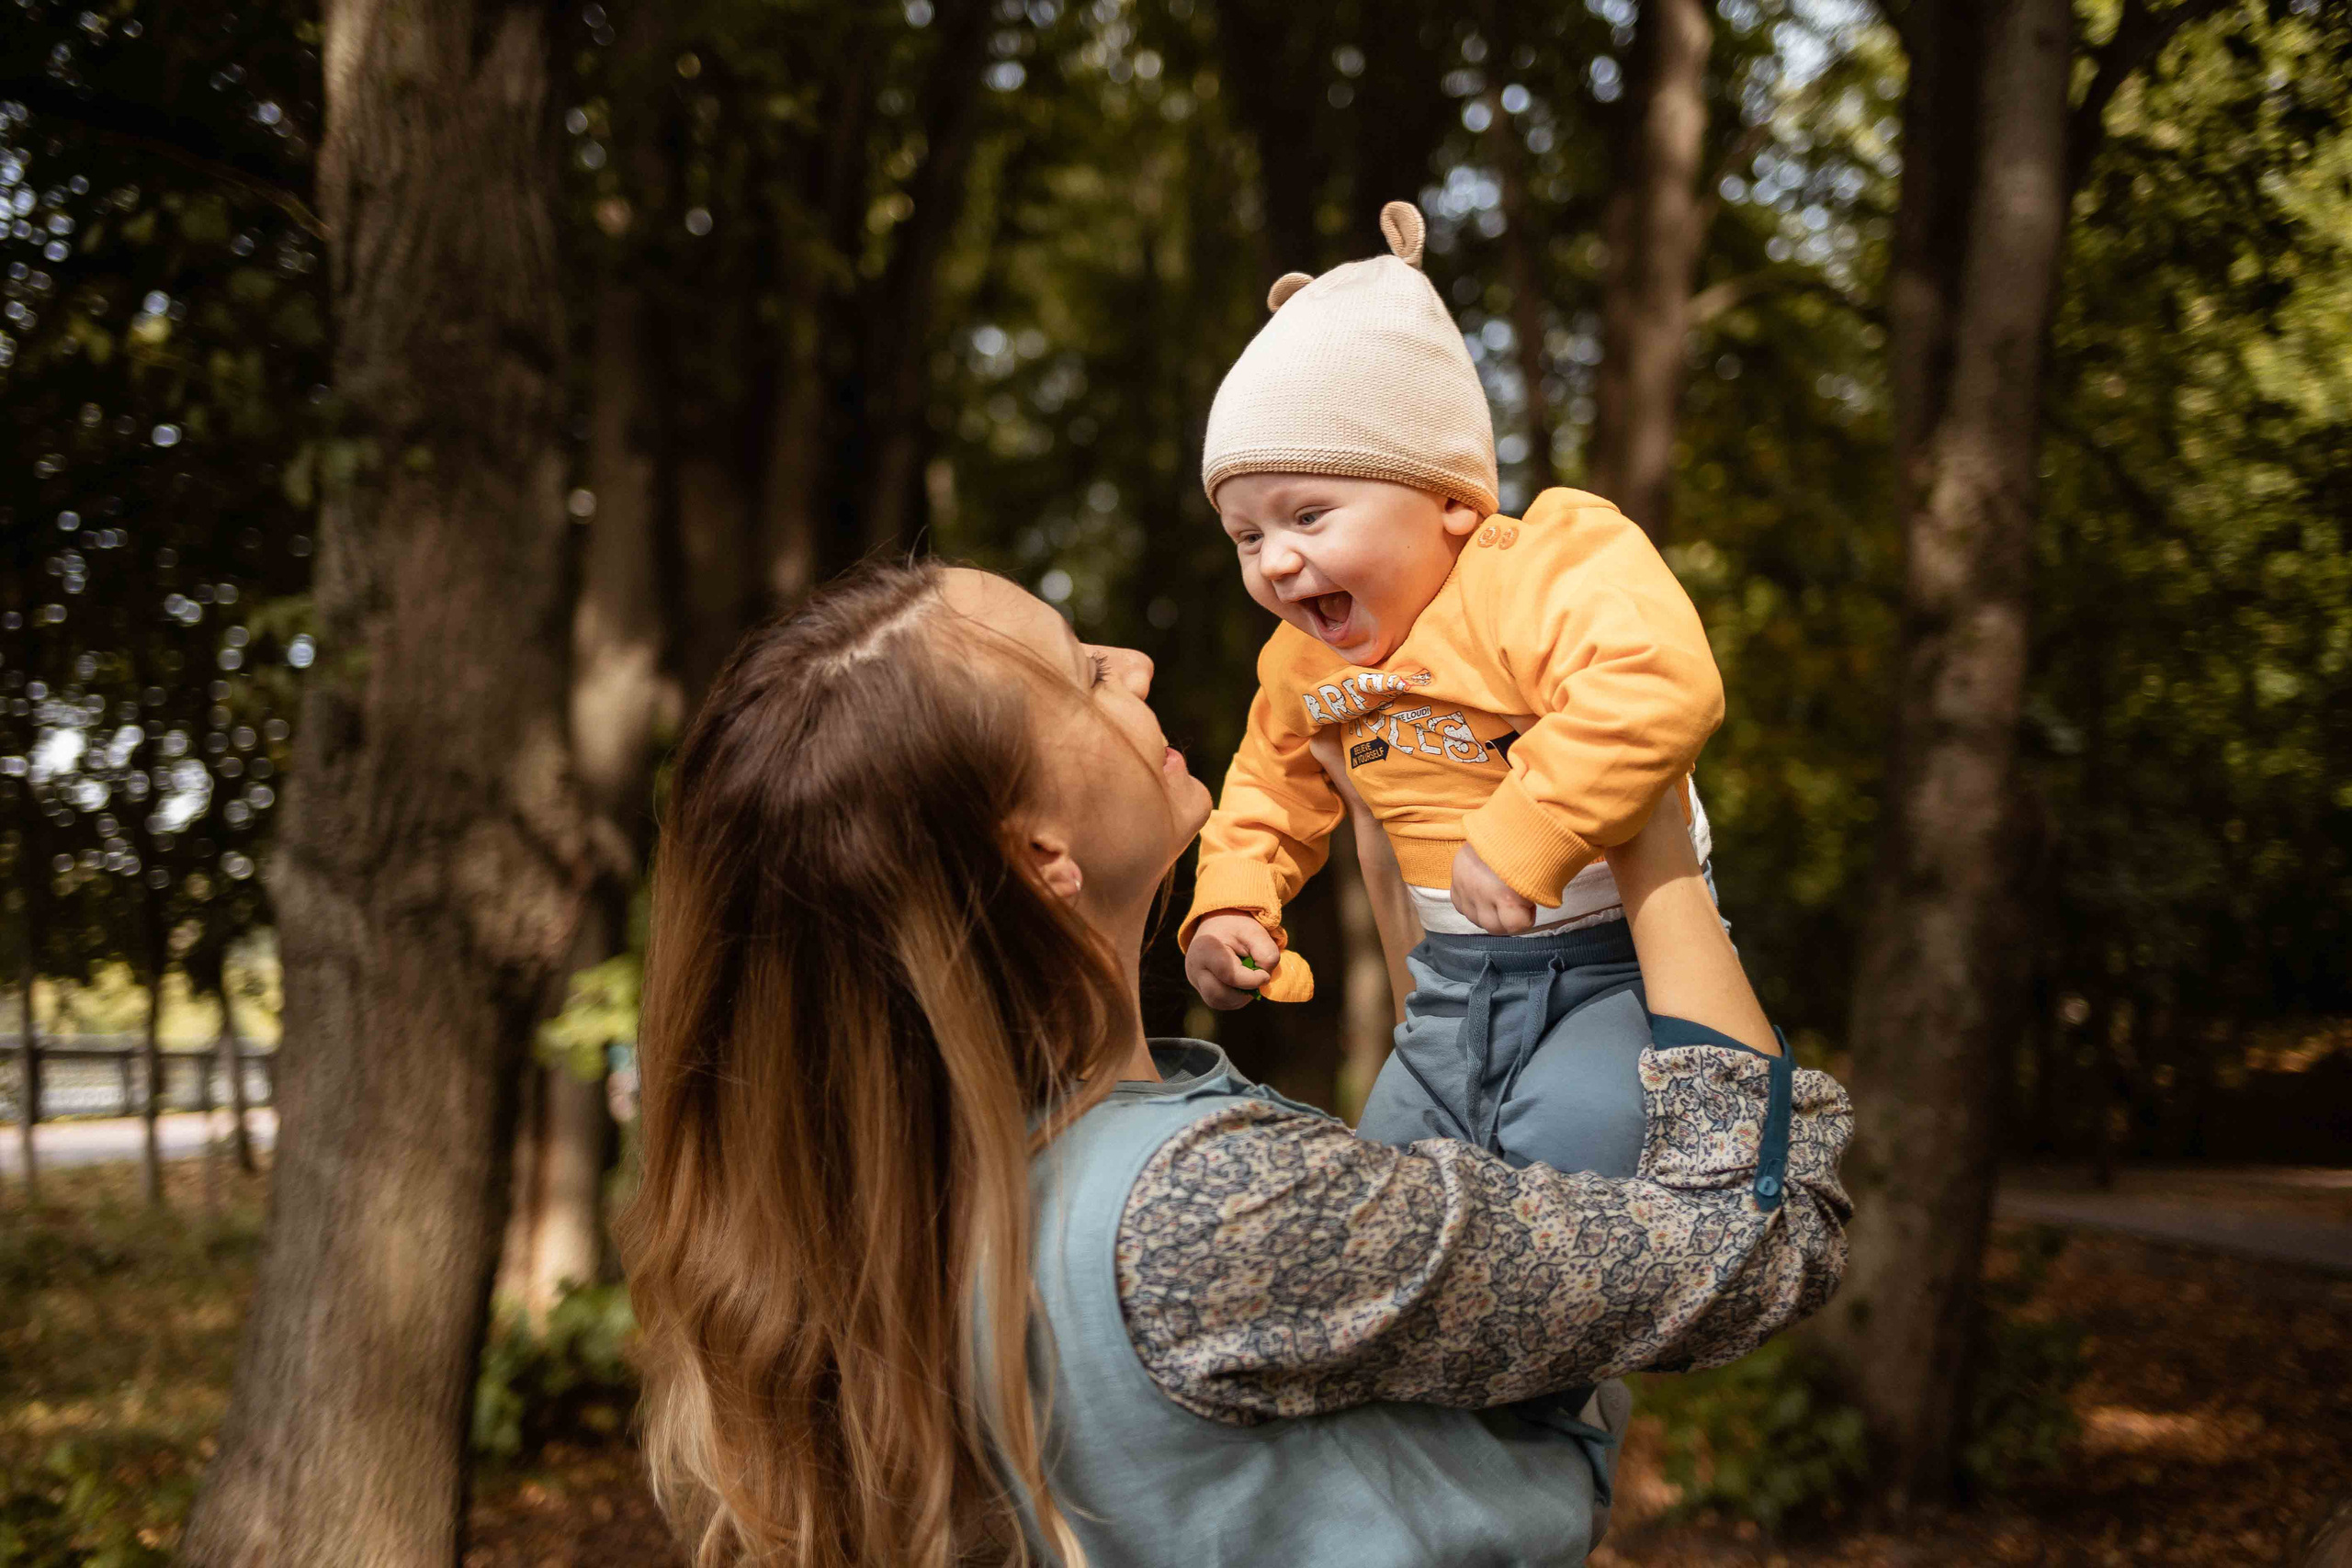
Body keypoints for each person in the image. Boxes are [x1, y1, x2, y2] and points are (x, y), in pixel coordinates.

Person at [619, 560, 1851, 1568]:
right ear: (1040, 855)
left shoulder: (944, 1185)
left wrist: (1427, 901)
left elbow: (1434, 1247)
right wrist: (1648, 833)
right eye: (1083, 672)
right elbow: (1755, 1244)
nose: (1135, 665)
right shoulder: (1209, 1211)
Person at [1180, 198, 1726, 1188]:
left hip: (1613, 963)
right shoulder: (1301, 662)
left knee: (1575, 1151)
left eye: (1309, 514)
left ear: (1448, 500)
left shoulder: (1534, 574)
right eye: (1247, 536)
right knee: (1391, 1182)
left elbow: (1655, 681)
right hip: (1449, 991)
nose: (1277, 560)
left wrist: (1528, 832)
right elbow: (1266, 790)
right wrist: (1232, 908)